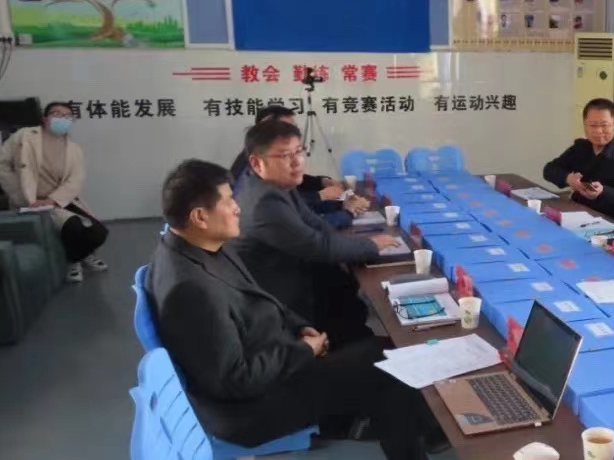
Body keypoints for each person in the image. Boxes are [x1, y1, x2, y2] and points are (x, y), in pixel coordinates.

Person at [148, 159, 437, 458]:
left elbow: (258, 295)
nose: (237, 207)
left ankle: (420, 430)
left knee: (379, 354)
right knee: (386, 364)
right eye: (228, 201)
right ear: (199, 216)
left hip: (270, 355)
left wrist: (298, 326)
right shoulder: (190, 289)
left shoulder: (197, 247)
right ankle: (423, 434)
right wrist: (303, 351)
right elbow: (236, 380)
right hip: (252, 409)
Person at [229, 120, 397, 347]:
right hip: (282, 304)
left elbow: (315, 223)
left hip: (295, 273)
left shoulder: (276, 184)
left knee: (347, 289)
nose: (297, 162)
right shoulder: (263, 203)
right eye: (284, 156)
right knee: (347, 296)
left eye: (299, 151)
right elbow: (319, 247)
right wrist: (372, 245)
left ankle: (358, 341)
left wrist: (350, 243)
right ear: (257, 163)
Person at [0, 102, 108, 282]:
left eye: (67, 116)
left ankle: (82, 255)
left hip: (60, 200)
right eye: (56, 114)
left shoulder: (74, 149)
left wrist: (52, 200)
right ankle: (74, 262)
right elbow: (0, 164)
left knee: (99, 231)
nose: (62, 119)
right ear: (45, 119)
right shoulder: (24, 136)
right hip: (31, 200)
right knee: (72, 225)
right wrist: (17, 192)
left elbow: (75, 180)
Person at [230, 105, 367, 228]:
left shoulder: (268, 164)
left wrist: (323, 185)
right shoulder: (255, 177)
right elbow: (305, 225)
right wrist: (323, 197)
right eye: (285, 127)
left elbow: (304, 213)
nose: (297, 162)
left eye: (298, 151)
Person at [543, 98, 614, 220]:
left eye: (604, 125)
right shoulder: (580, 148)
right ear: (585, 126)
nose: (598, 131)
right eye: (593, 125)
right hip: (577, 210)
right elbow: (549, 169)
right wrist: (568, 178)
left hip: (609, 218)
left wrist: (603, 192)